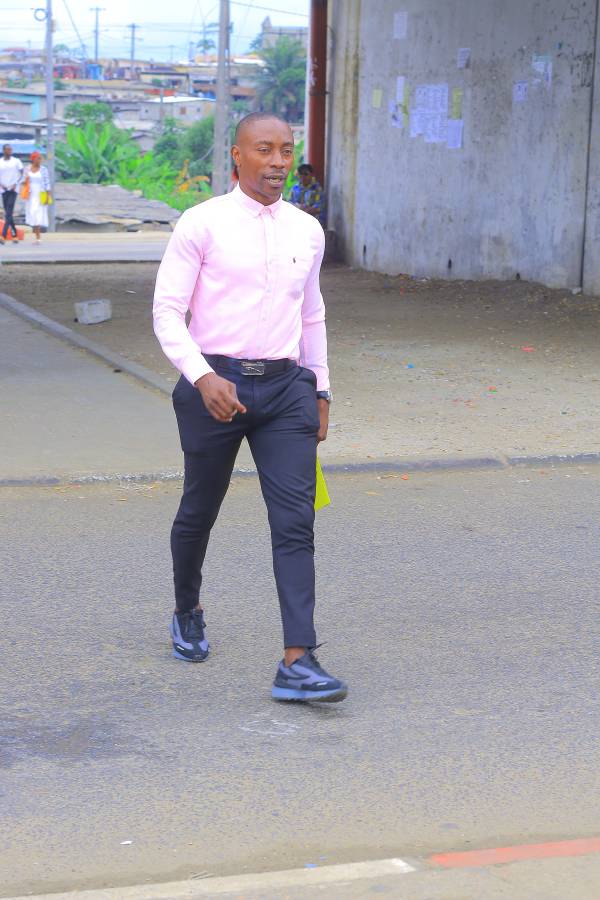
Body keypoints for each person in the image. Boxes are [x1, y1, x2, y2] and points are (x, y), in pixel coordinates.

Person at [153, 112, 346, 703]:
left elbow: (311, 314)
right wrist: (203, 376)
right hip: (216, 386)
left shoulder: (306, 230)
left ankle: (298, 659)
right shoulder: (202, 222)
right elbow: (167, 312)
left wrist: (321, 389)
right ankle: (187, 609)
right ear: (238, 156)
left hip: (287, 390)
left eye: (286, 150)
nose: (279, 161)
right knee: (199, 509)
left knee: (295, 522)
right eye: (265, 149)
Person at [22, 151, 52, 243]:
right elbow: (22, 181)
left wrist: (48, 195)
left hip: (40, 194)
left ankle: (38, 237)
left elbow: (47, 183)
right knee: (33, 214)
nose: (40, 160)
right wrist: (25, 180)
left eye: (40, 158)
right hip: (30, 195)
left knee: (38, 215)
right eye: (38, 158)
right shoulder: (27, 169)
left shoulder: (44, 169)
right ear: (33, 159)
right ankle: (37, 237)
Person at [0, 144, 23, 245]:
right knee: (8, 213)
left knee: (8, 211)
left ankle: (3, 235)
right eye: (8, 149)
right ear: (4, 151)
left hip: (13, 189)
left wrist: (16, 183)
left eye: (11, 149)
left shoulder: (16, 161)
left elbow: (22, 173)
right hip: (3, 189)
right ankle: (15, 235)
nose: (10, 151)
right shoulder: (0, 162)